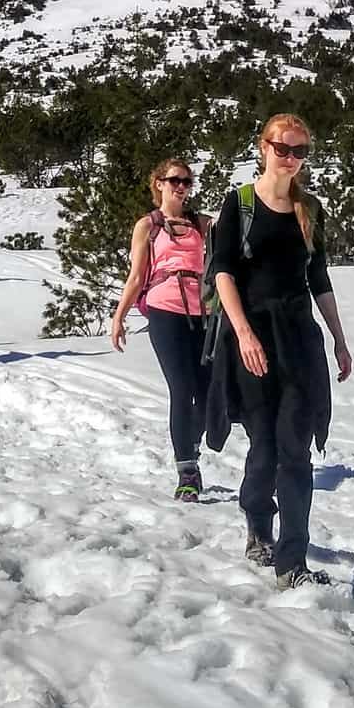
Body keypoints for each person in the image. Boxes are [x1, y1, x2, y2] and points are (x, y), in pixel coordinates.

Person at [204, 113, 353, 590]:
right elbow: (223, 272)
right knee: (264, 447)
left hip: (298, 341)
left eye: (300, 151)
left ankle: (292, 562)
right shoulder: (239, 204)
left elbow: (319, 277)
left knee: (296, 449)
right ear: (263, 147)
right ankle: (256, 525)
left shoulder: (310, 209)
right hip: (252, 337)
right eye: (282, 148)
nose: (291, 159)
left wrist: (339, 338)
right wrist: (244, 334)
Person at [111, 158, 213, 502]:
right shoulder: (148, 226)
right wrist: (119, 315)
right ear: (159, 183)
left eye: (186, 181)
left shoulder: (203, 224)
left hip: (205, 312)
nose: (181, 187)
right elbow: (137, 275)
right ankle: (187, 470)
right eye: (175, 181)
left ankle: (191, 442)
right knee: (182, 389)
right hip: (164, 308)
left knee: (210, 392)